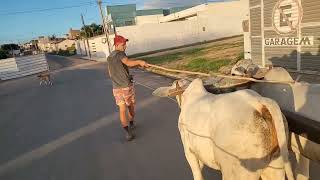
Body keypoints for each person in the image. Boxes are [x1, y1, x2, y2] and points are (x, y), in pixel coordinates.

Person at [107, 35, 149, 141]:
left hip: (116, 87)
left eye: (125, 44)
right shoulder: (120, 54)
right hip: (126, 86)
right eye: (123, 44)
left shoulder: (110, 57)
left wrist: (119, 78)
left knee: (122, 109)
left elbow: (110, 72)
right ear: (117, 45)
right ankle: (131, 123)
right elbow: (128, 63)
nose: (125, 46)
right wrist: (140, 62)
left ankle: (127, 132)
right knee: (130, 105)